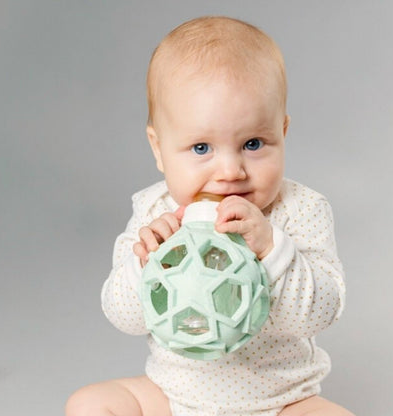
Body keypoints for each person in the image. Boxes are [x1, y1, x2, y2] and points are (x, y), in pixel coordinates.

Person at [66, 16, 355, 416]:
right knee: (89, 404)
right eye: (202, 148)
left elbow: (322, 312)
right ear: (158, 148)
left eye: (253, 143)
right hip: (173, 398)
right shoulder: (156, 212)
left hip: (282, 401)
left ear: (283, 133)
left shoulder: (299, 210)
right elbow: (123, 316)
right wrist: (145, 263)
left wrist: (273, 250)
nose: (230, 171)